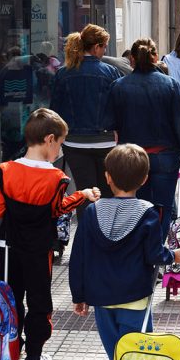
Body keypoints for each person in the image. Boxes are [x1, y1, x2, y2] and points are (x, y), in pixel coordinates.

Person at [0, 108, 101, 360]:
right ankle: (34, 356)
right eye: (59, 143)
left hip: (8, 246)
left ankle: (9, 352)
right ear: (49, 139)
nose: (59, 149)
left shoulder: (5, 170)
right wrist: (81, 195)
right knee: (39, 300)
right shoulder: (57, 178)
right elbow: (57, 210)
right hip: (39, 249)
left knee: (10, 298)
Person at [68, 144, 180, 360]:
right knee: (138, 356)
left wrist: (79, 295)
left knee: (117, 356)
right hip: (135, 298)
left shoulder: (93, 212)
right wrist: (173, 256)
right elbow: (153, 254)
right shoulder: (148, 213)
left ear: (108, 177)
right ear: (144, 179)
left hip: (101, 299)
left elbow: (78, 257)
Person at [106, 38, 180, 240]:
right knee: (162, 209)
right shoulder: (170, 85)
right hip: (164, 157)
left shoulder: (118, 86)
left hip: (131, 158)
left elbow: (109, 123)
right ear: (155, 57)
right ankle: (155, 255)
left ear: (132, 59)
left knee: (134, 209)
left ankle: (138, 253)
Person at [50, 24, 121, 219]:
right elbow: (118, 105)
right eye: (104, 46)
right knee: (106, 192)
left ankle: (86, 238)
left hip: (74, 142)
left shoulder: (63, 73)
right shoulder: (110, 72)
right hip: (105, 141)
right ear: (96, 46)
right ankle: (105, 237)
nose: (104, 51)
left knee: (84, 192)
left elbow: (54, 111)